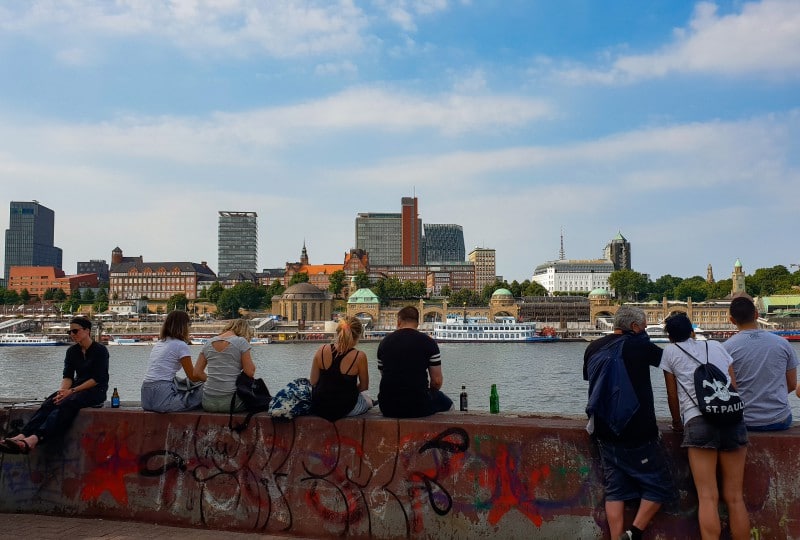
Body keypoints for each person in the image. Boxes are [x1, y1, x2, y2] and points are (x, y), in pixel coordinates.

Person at [583, 306, 674, 540]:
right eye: (644, 327)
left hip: (603, 429)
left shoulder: (593, 347)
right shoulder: (641, 345)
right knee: (659, 485)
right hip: (637, 430)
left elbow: (590, 378)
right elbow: (669, 362)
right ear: (634, 327)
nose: (645, 331)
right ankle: (633, 533)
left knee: (615, 490)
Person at [661, 313, 749, 540]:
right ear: (692, 330)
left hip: (698, 421)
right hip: (732, 418)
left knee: (707, 496)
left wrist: (677, 423)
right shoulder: (716, 346)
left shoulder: (670, 351)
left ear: (669, 336)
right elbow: (733, 386)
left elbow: (672, 395)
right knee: (736, 498)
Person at [0, 316, 109, 455]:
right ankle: (22, 436)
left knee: (67, 404)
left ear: (87, 330)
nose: (72, 335)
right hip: (75, 389)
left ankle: (34, 439)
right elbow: (68, 376)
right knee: (50, 402)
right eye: (69, 332)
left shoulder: (100, 350)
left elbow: (97, 378)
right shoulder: (72, 351)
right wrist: (62, 391)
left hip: (95, 391)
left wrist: (71, 391)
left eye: (75, 331)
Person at [723, 296, 798, 431]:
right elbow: (792, 384)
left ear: (732, 320)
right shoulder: (783, 343)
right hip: (780, 418)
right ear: (756, 315)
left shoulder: (726, 348)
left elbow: (729, 388)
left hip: (744, 420)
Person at [376, 305, 452, 418]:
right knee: (448, 404)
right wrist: (429, 393)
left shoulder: (384, 343)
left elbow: (385, 375)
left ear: (399, 321)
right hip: (419, 406)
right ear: (417, 323)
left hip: (387, 407)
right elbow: (436, 381)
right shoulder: (429, 343)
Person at [309, 315, 374, 421]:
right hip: (344, 409)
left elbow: (313, 381)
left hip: (319, 407)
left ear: (337, 332)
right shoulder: (359, 356)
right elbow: (364, 386)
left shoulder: (321, 350)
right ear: (358, 335)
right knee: (367, 400)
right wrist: (345, 391)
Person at [140, 310, 204, 413]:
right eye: (189, 324)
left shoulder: (160, 343)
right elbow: (193, 376)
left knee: (180, 381)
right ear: (183, 326)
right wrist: (210, 379)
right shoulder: (180, 345)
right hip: (162, 398)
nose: (189, 328)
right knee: (206, 388)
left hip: (146, 397)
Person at [194, 318, 255, 413]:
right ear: (245, 331)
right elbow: (250, 372)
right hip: (232, 403)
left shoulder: (208, 342)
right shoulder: (241, 341)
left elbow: (197, 373)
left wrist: (215, 381)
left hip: (208, 402)